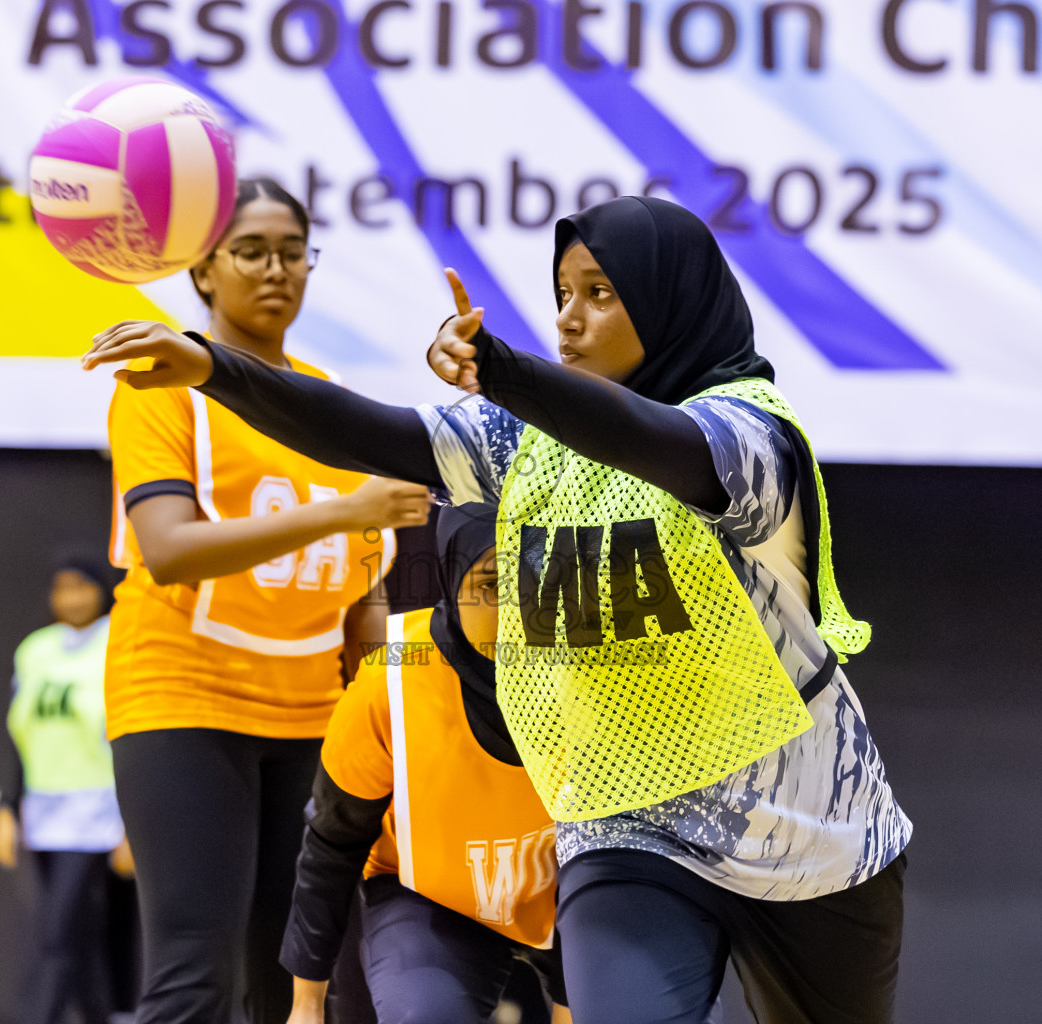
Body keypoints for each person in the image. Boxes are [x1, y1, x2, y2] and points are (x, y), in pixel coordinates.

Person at [81, 195, 912, 1024]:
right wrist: (214, 369)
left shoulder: (750, 432)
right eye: (560, 296)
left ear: (668, 301)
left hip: (805, 832)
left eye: (598, 294)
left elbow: (657, 446)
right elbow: (378, 434)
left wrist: (509, 374)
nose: (568, 320)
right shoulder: (525, 442)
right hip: (628, 828)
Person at [100, 177, 432, 1024]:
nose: (277, 269)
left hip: (312, 715)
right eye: (251, 251)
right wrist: (346, 508)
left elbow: (364, 587)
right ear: (205, 270)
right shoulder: (163, 384)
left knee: (299, 982)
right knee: (193, 974)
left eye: (293, 250)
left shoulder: (327, 401)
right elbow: (169, 551)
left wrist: (389, 694)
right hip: (183, 698)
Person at [281, 504, 569, 1024]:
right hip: (430, 898)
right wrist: (306, 1005)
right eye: (493, 585)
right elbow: (333, 843)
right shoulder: (389, 679)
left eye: (535, 582)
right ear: (450, 584)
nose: (519, 611)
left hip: (571, 892)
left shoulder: (601, 673)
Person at [0, 556, 132, 1024]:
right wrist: (8, 806)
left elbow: (134, 734)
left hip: (97, 807)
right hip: (44, 805)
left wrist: (133, 819)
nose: (71, 598)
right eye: (62, 588)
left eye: (81, 587)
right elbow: (18, 731)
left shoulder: (121, 639)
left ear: (101, 589)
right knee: (80, 933)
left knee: (56, 931)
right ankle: (98, 1016)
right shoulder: (35, 649)